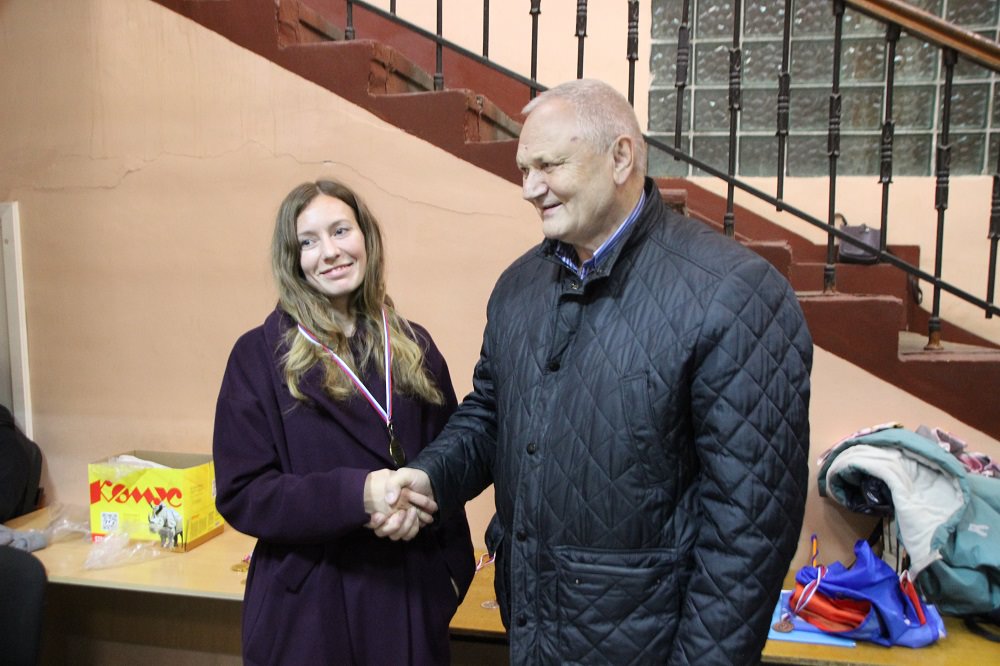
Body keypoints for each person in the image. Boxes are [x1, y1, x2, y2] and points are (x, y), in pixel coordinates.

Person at [372, 79, 813, 664]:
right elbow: (491, 415)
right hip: (534, 634)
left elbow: (749, 531)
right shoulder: (519, 287)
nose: (530, 188)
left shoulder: (734, 294)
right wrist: (429, 478)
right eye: (524, 169)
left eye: (549, 165)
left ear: (620, 157)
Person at [213, 179, 475, 665]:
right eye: (308, 242)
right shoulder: (257, 356)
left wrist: (449, 574)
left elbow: (451, 460)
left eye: (340, 231)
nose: (330, 252)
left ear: (365, 237)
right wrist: (358, 495)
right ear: (292, 259)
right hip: (310, 611)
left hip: (407, 598)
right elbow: (243, 493)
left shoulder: (415, 346)